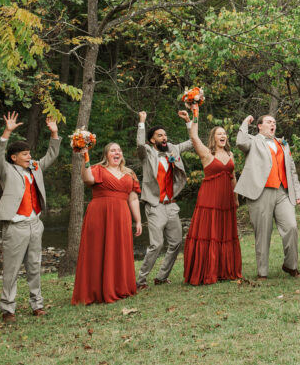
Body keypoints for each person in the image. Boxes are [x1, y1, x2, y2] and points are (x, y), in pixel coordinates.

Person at [0, 111, 61, 322]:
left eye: (29, 153)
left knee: (34, 265)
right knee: (11, 269)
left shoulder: (35, 168)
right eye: (24, 154)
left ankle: (37, 305)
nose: (29, 156)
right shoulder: (6, 170)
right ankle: (8, 309)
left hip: (35, 224)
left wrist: (54, 133)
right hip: (16, 225)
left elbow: (52, 155)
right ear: (14, 157)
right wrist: (7, 132)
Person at [71, 143, 143, 305]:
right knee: (97, 249)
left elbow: (132, 198)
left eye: (119, 150)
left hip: (122, 216)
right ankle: (95, 290)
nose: (117, 152)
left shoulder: (129, 173)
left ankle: (118, 287)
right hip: (99, 214)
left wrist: (138, 220)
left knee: (119, 249)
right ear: (106, 154)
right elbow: (87, 178)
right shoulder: (97, 169)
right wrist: (85, 158)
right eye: (113, 150)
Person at [234, 114, 300, 280]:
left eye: (274, 122)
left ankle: (290, 265)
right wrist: (244, 122)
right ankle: (262, 272)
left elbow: (291, 169)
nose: (273, 124)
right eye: (268, 122)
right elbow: (240, 142)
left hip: (282, 191)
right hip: (261, 192)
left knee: (291, 227)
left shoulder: (282, 144)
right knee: (263, 233)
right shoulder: (253, 140)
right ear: (260, 126)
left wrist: (298, 191)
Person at [135, 110, 194, 289]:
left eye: (165, 135)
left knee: (176, 243)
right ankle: (140, 280)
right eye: (160, 135)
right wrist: (142, 122)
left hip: (171, 204)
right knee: (157, 244)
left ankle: (161, 277)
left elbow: (192, 142)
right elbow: (139, 144)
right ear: (152, 139)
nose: (164, 137)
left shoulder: (173, 149)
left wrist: (189, 121)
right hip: (155, 205)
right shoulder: (146, 152)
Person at [183, 123, 243, 284]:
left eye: (224, 133)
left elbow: (233, 177)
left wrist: (236, 198)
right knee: (210, 232)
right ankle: (207, 270)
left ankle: (224, 270)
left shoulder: (230, 155)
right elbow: (194, 137)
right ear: (213, 138)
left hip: (226, 199)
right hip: (209, 198)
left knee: (225, 233)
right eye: (219, 134)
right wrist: (194, 116)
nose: (223, 136)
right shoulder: (207, 154)